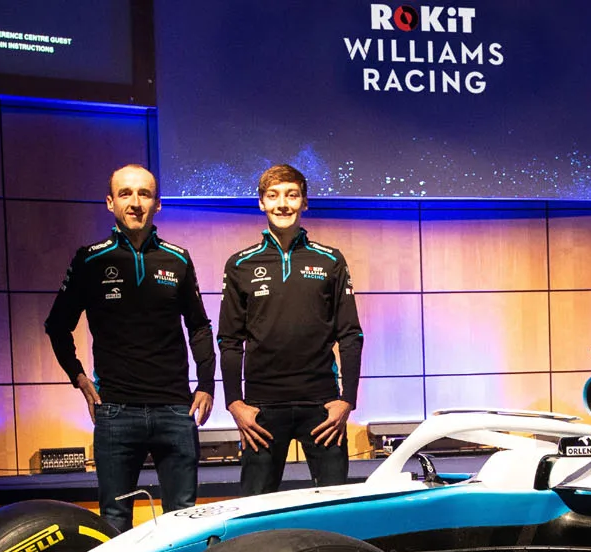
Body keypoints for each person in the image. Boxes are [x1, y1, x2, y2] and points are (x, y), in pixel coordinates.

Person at [45, 164, 215, 533]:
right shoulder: (89, 259)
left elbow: (199, 325)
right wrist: (78, 377)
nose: (135, 203)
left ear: (157, 204)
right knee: (115, 523)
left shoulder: (179, 258)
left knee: (183, 522)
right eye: (125, 194)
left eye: (144, 194)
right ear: (110, 203)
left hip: (175, 409)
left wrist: (205, 383)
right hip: (115, 414)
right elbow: (56, 326)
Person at [218, 163, 364, 495]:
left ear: (305, 202)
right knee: (254, 513)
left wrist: (347, 401)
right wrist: (234, 402)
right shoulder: (239, 265)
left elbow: (351, 335)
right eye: (273, 196)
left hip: (323, 409)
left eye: (292, 195)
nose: (283, 204)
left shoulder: (331, 260)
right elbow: (229, 340)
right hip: (261, 410)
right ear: (261, 203)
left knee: (333, 510)